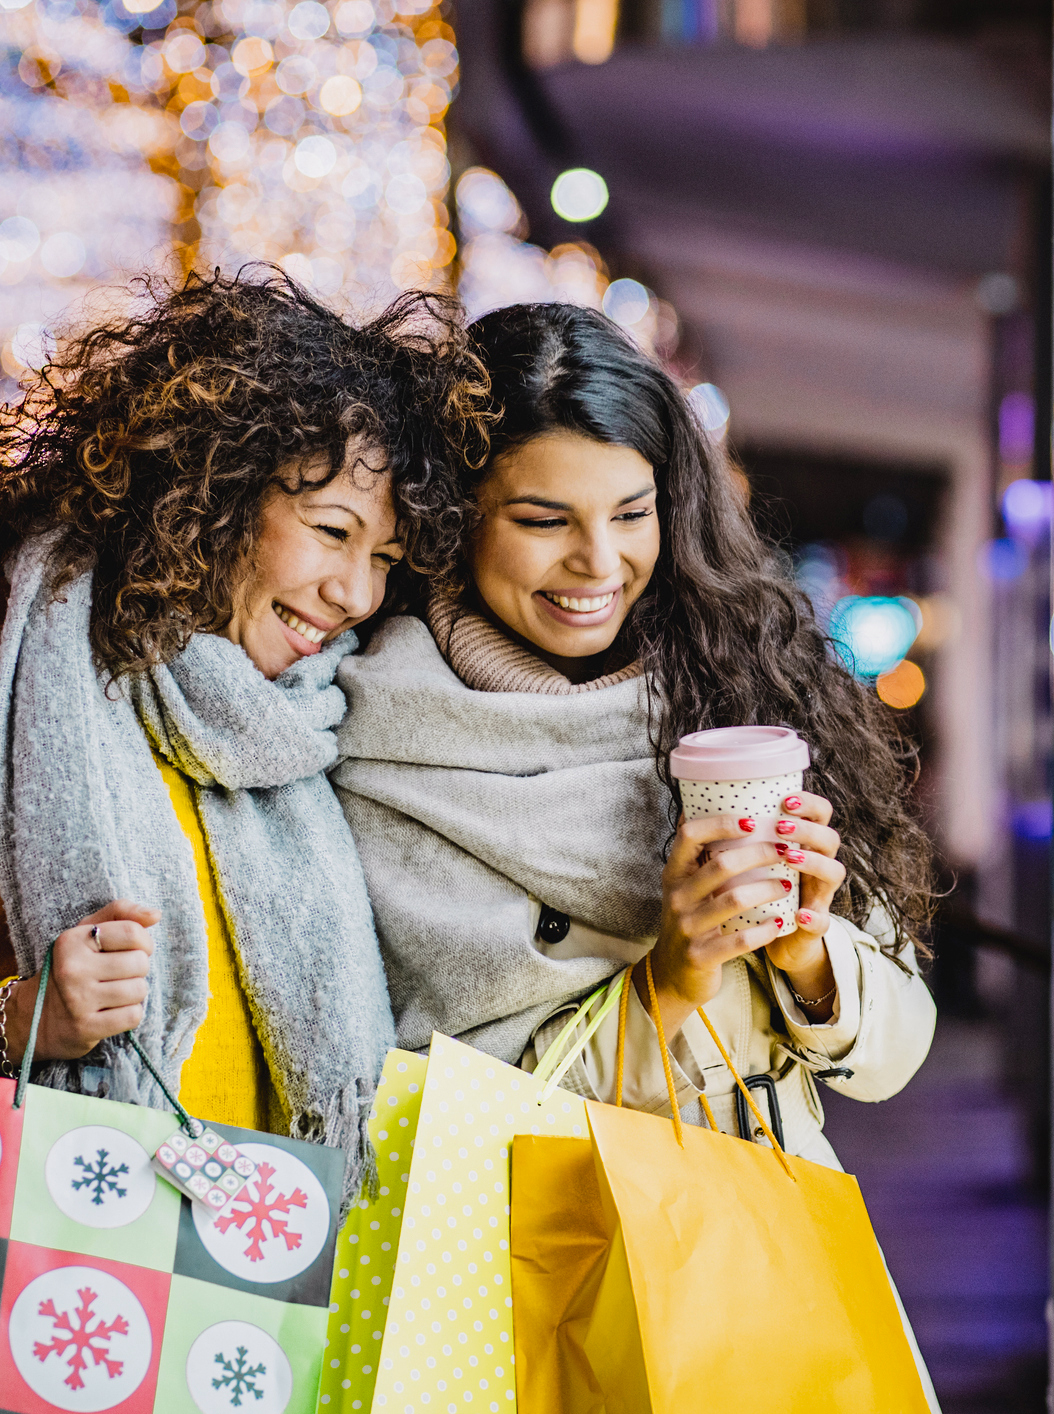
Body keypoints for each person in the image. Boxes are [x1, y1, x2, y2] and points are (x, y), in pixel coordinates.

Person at [0, 272, 488, 1165]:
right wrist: (6, 1019)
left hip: (260, 1281)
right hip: (15, 1260)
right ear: (216, 487)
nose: (355, 593)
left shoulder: (333, 724)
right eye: (332, 531)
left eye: (386, 557)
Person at [333, 303, 938, 1167]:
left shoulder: (740, 686)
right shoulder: (379, 738)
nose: (598, 562)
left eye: (630, 514)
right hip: (550, 1269)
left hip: (769, 1250)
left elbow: (893, 1058)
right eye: (543, 521)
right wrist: (666, 987)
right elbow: (435, 1118)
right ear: (452, 515)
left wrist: (811, 958)